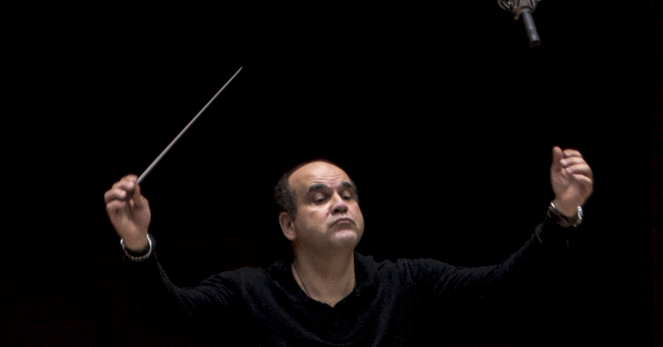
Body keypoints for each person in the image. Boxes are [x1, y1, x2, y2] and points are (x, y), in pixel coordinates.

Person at [102, 147, 594, 345]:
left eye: (348, 194)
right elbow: (170, 313)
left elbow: (506, 287)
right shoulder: (247, 292)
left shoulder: (406, 282)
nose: (340, 203)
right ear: (288, 225)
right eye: (320, 198)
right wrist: (136, 242)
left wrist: (562, 213)